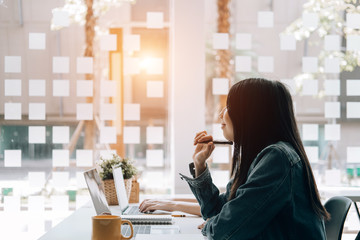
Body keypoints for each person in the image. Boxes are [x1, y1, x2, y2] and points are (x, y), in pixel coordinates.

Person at [179, 78, 329, 240]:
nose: (222, 113)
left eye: (229, 106)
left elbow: (224, 230)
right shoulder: (259, 159)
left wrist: (211, 224)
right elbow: (216, 210)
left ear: (251, 113)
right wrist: (199, 165)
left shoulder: (277, 158)